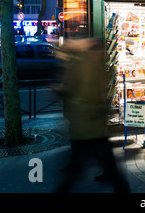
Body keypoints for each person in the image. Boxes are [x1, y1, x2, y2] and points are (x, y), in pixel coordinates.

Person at [56, 38, 130, 192]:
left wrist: (62, 91)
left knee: (80, 164)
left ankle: (119, 186)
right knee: (104, 161)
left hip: (87, 124)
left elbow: (83, 92)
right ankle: (119, 185)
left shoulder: (84, 64)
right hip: (89, 124)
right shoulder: (86, 63)